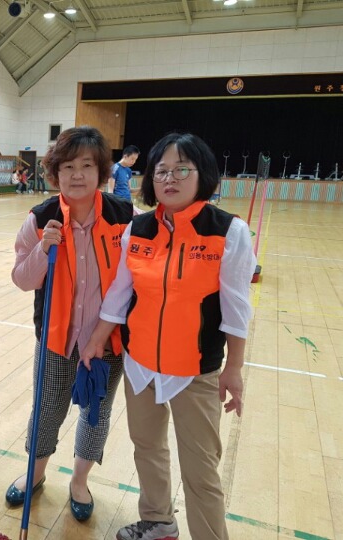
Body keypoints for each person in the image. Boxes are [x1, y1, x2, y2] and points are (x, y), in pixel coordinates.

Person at [81, 133, 255, 540]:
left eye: (181, 169)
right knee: (147, 448)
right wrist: (97, 339)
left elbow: (236, 308)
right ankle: (159, 521)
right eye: (161, 171)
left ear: (202, 174)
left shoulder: (228, 231)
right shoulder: (138, 229)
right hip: (139, 365)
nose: (169, 178)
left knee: (201, 469)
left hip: (195, 371)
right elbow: (119, 294)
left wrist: (234, 368)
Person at [6, 126, 133, 521]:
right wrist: (43, 248)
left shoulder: (125, 217)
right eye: (68, 166)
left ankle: (80, 481)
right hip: (56, 338)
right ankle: (35, 474)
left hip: (107, 341)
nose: (77, 174)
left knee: (95, 413)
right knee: (46, 410)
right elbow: (22, 279)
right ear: (55, 172)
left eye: (87, 165)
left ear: (101, 172)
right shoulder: (40, 218)